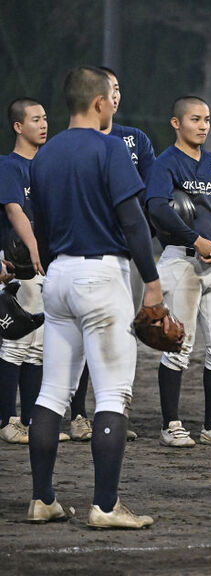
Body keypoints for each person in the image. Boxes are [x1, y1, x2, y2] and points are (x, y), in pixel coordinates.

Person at [27, 65, 162, 527]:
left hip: (59, 275)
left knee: (51, 392)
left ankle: (42, 498)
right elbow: (133, 222)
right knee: (111, 393)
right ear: (100, 102)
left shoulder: (43, 156)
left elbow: (41, 229)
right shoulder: (108, 147)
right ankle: (106, 505)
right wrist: (153, 281)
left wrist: (49, 264)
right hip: (102, 276)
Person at [146, 95, 211, 447]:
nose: (203, 125)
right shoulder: (165, 163)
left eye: (206, 119)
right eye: (195, 119)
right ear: (176, 123)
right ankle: (170, 424)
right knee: (178, 343)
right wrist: (195, 238)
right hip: (181, 259)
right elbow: (156, 207)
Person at [67, 65, 156, 443]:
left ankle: (116, 411)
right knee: (82, 337)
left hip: (128, 251)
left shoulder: (133, 139)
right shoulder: (78, 142)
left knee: (122, 332)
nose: (116, 95)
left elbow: (149, 195)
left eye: (120, 87)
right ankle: (78, 413)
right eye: (110, 88)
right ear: (97, 96)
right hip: (93, 251)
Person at [0, 97, 61, 444]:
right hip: (20, 263)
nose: (43, 124)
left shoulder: (49, 166)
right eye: (35, 119)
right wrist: (36, 250)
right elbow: (14, 210)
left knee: (38, 347)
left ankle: (30, 419)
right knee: (15, 343)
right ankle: (7, 420)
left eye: (45, 117)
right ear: (18, 127)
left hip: (48, 264)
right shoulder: (9, 166)